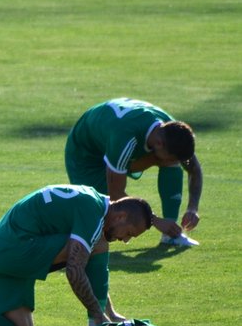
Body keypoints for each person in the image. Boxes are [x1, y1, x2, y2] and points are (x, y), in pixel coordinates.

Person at [0, 184, 153, 326]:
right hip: (13, 250)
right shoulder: (93, 211)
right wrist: (97, 313)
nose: (125, 240)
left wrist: (109, 312)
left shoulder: (92, 201)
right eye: (128, 233)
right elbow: (74, 270)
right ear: (121, 216)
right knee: (98, 243)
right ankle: (96, 324)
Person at [65, 98, 202, 247]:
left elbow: (194, 169)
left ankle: (171, 235)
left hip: (114, 139)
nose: (173, 161)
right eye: (172, 157)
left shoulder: (172, 130)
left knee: (169, 163)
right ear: (159, 143)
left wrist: (193, 208)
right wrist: (154, 220)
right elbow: (115, 194)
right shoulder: (124, 138)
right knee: (103, 212)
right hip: (85, 155)